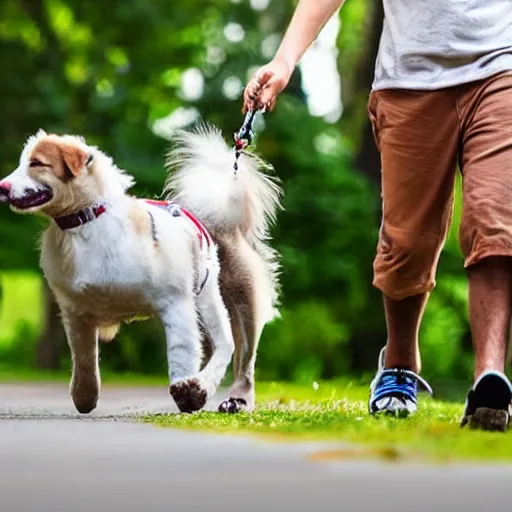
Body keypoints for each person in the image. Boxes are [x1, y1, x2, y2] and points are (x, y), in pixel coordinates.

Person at [243, 0, 512, 431]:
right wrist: (286, 57)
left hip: (502, 67)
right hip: (410, 79)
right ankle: (401, 364)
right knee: (407, 242)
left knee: (496, 223)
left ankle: (489, 380)